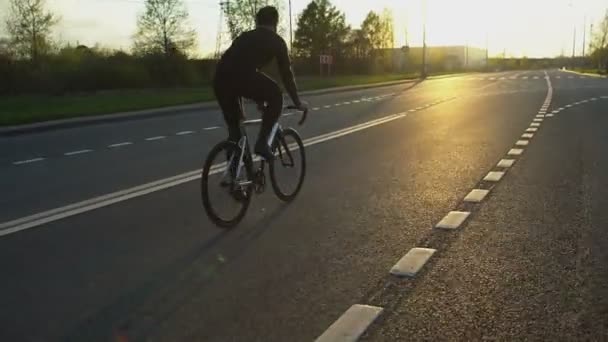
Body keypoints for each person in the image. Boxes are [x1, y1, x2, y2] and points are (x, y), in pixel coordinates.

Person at [213, 6, 307, 162]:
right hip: (242, 77)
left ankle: (233, 178)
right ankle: (262, 143)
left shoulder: (245, 37)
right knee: (276, 94)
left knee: (235, 131)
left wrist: (260, 99)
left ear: (257, 21)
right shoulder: (276, 41)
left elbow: (237, 65)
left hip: (220, 80)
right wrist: (297, 102)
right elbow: (286, 75)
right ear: (276, 22)